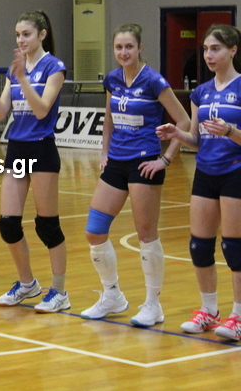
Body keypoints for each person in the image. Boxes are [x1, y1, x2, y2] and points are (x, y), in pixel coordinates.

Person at [79, 23, 190, 327]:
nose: (124, 52)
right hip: (116, 161)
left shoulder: (154, 81)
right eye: (119, 47)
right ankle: (112, 295)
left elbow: (184, 121)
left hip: (144, 162)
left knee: (146, 235)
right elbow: (109, 117)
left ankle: (153, 305)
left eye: (129, 46)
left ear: (140, 48)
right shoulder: (113, 79)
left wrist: (165, 159)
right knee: (94, 230)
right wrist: (104, 151)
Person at [0, 10, 69, 313]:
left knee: (47, 226)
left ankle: (59, 291)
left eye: (26, 34)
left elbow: (42, 110)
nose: (21, 40)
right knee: (8, 224)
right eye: (17, 35)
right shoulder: (15, 70)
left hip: (41, 149)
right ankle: (27, 284)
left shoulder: (54, 67)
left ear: (42, 35)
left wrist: (24, 78)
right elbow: (1, 113)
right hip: (17, 149)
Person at [158, 24, 241, 341]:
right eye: (206, 49)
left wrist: (230, 131)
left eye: (216, 48)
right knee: (200, 246)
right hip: (205, 173)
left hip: (235, 172)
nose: (209, 55)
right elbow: (196, 138)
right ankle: (209, 311)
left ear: (232, 50)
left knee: (234, 247)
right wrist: (178, 135)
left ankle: (238, 316)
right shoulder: (201, 93)